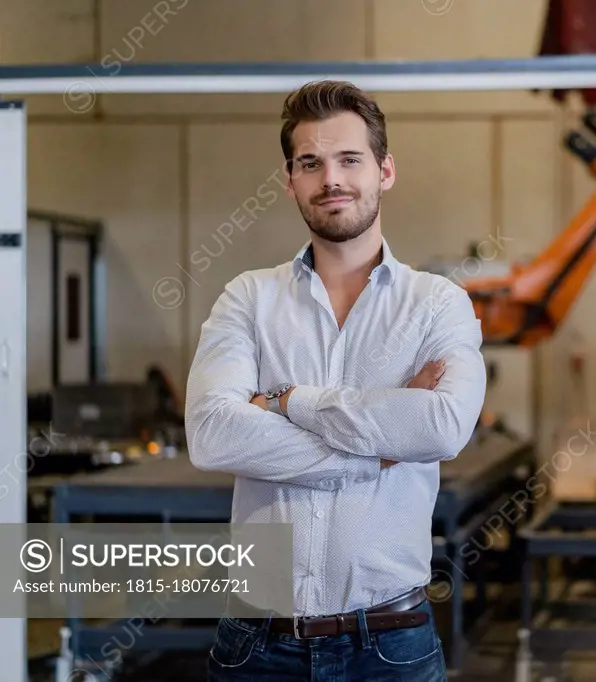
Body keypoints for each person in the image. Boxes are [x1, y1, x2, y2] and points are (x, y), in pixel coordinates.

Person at [184, 79, 487, 681]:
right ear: (289, 179)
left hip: (390, 645)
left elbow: (442, 427)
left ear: (385, 170)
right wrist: (375, 451)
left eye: (350, 159)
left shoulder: (438, 305)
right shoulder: (248, 298)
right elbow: (213, 434)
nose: (332, 179)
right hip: (257, 645)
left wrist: (290, 401)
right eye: (310, 163)